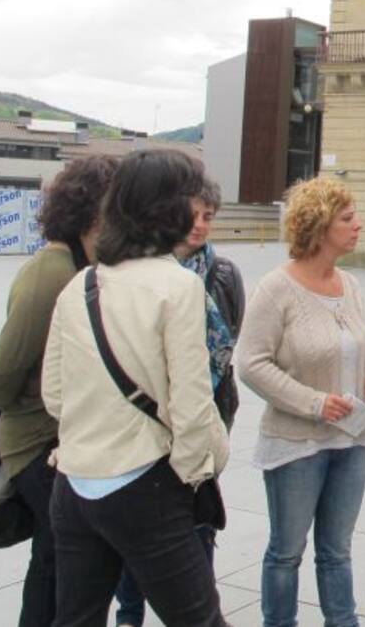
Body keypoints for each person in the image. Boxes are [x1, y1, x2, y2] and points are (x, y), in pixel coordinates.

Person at [42, 149, 231, 627]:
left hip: (75, 484)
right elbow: (192, 406)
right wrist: (189, 479)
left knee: (76, 619)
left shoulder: (81, 285)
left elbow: (55, 395)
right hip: (144, 483)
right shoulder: (178, 287)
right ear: (169, 206)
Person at [238, 176, 365, 627]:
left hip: (351, 441)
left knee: (336, 551)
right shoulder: (276, 288)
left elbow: (359, 351)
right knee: (286, 553)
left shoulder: (349, 284)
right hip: (296, 444)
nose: (358, 226)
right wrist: (313, 402)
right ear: (320, 225)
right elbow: (250, 363)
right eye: (347, 219)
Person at [0, 155, 118, 627]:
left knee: (53, 559)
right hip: (36, 444)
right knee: (69, 561)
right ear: (88, 214)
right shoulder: (53, 274)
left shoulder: (80, 267)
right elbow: (0, 374)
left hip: (57, 441)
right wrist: (34, 408)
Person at [112, 175, 246, 627]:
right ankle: (130, 614)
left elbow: (227, 347)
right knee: (140, 528)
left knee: (197, 522)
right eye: (193, 215)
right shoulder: (137, 274)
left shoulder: (223, 274)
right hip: (148, 421)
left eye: (208, 217)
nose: (200, 225)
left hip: (207, 415)